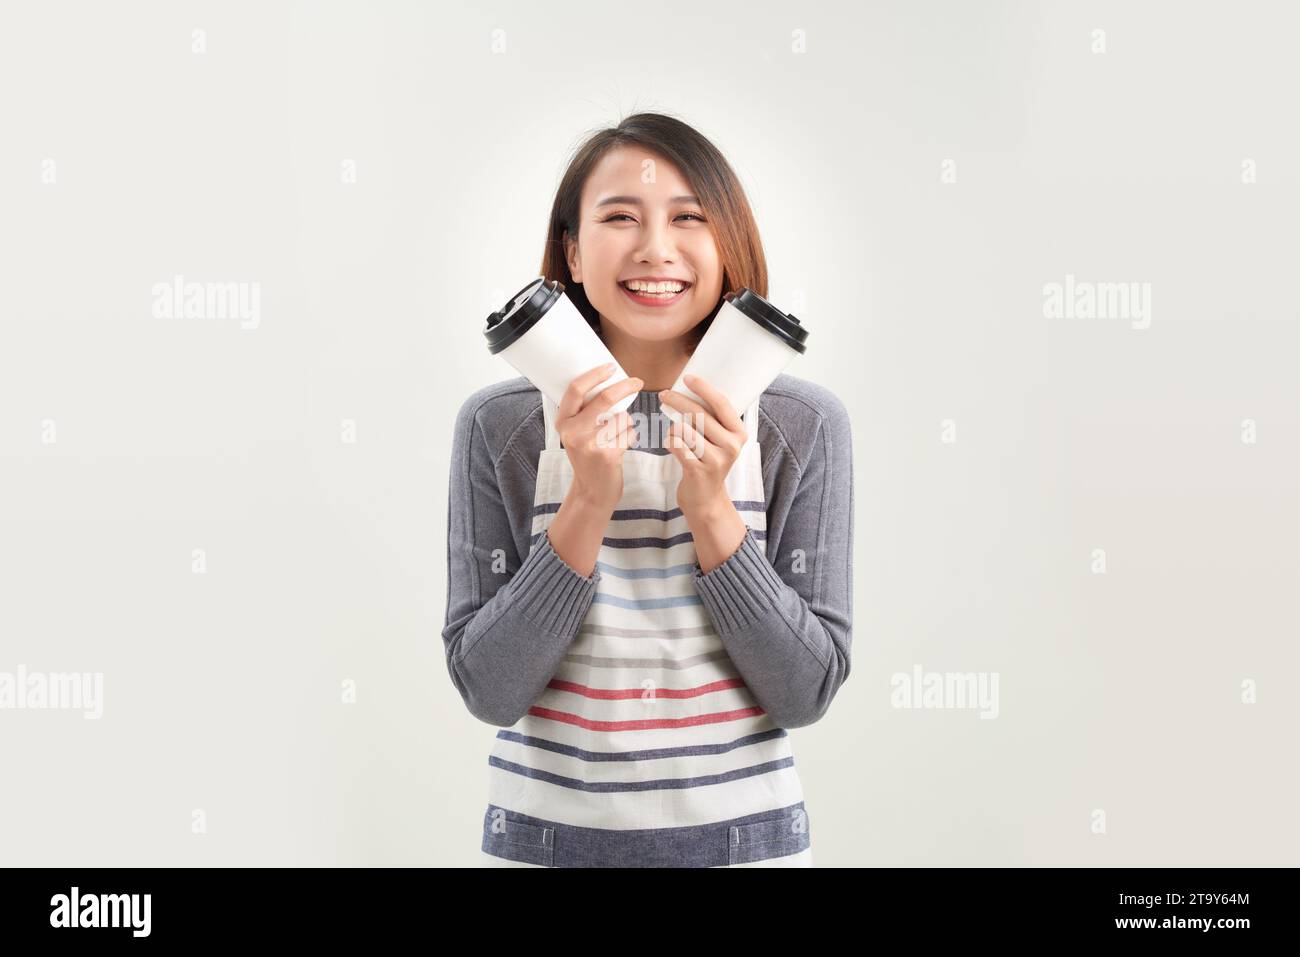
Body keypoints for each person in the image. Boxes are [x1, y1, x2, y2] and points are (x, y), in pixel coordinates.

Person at [443, 112, 854, 867]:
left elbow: (806, 693)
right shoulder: (503, 426)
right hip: (544, 845)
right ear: (571, 249)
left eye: (689, 217)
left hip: (745, 847)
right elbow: (489, 690)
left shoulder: (800, 424)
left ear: (728, 242)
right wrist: (587, 501)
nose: (655, 249)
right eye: (620, 217)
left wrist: (710, 509)